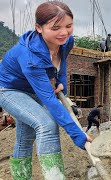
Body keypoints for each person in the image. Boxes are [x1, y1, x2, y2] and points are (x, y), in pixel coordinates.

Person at [0, 1, 92, 179]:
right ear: (39, 28)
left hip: (34, 90)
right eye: (56, 27)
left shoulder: (66, 41)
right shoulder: (29, 56)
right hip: (9, 91)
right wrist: (77, 134)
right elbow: (50, 101)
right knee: (46, 124)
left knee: (25, 139)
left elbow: (62, 60)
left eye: (69, 26)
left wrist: (60, 80)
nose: (64, 32)